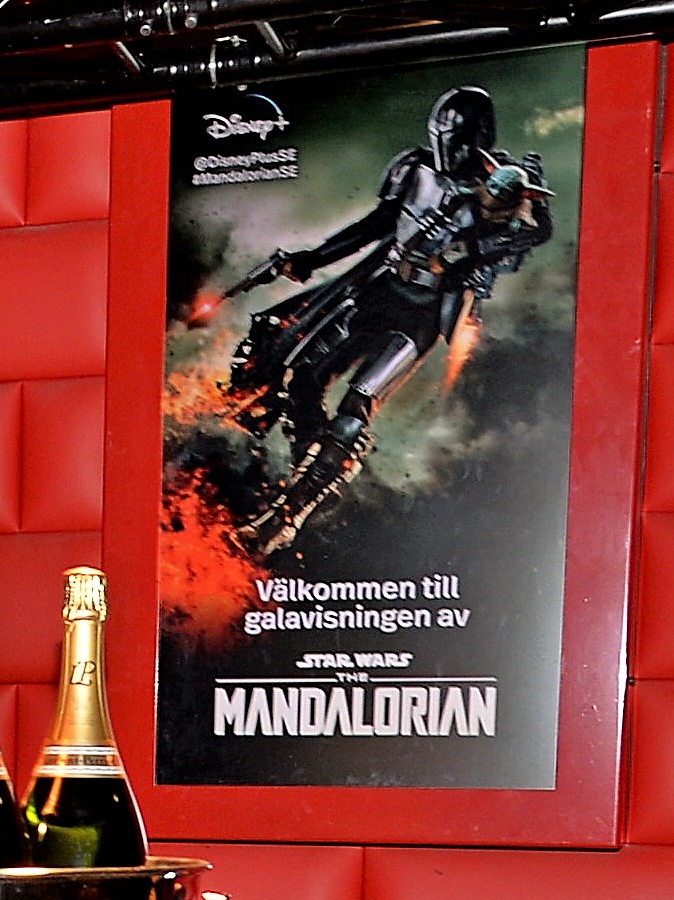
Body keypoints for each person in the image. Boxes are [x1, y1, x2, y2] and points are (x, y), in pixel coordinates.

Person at [216, 86, 555, 558]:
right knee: (304, 375)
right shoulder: (414, 168)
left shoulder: (500, 182)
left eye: (458, 140)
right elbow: (378, 224)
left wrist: (492, 235)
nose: (449, 151)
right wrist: (314, 258)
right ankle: (310, 477)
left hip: (421, 313)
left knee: (357, 404)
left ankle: (284, 518)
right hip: (377, 289)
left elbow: (536, 231)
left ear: (479, 137)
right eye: (443, 138)